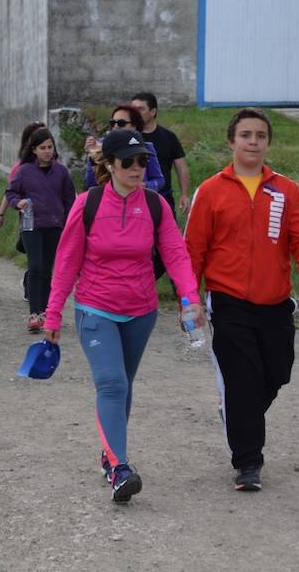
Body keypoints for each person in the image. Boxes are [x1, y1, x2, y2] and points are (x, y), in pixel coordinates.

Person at [44, 128, 202, 503]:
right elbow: (66, 262)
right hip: (95, 308)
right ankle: (120, 467)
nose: (137, 168)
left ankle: (109, 450)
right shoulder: (88, 204)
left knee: (124, 386)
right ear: (110, 165)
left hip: (141, 310)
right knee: (112, 383)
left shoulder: (154, 205)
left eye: (142, 161)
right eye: (128, 162)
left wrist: (189, 298)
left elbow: (175, 254)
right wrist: (53, 315)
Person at [184, 108, 299, 492]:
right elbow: (192, 249)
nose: (253, 141)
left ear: (267, 143)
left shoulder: (287, 190)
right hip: (228, 303)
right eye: (245, 135)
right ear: (231, 142)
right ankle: (248, 463)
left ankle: (234, 412)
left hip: (276, 303)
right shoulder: (210, 191)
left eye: (260, 136)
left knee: (277, 374)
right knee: (244, 381)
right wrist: (190, 298)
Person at [5, 128, 75, 332]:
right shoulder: (24, 170)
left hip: (55, 226)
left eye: (50, 147)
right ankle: (33, 313)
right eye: (42, 148)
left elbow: (70, 200)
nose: (47, 151)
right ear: (33, 149)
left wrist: (70, 223)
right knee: (35, 266)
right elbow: (11, 193)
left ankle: (45, 312)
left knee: (47, 269)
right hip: (31, 226)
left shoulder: (61, 171)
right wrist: (18, 203)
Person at [0, 121, 46, 302]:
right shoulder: (21, 168)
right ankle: (32, 287)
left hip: (50, 220)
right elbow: (9, 192)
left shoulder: (54, 165)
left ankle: (37, 286)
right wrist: (0, 214)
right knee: (35, 259)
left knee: (45, 259)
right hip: (29, 220)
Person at [130, 92, 191, 217]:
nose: (136, 113)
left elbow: (181, 168)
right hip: (133, 199)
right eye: (133, 109)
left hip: (163, 198)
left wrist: (184, 194)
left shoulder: (169, 137)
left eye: (141, 109)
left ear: (153, 112)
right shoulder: (127, 136)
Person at [83, 105, 163, 193]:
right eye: (113, 123)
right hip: (108, 200)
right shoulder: (102, 145)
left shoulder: (146, 147)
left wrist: (146, 186)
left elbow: (159, 180)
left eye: (121, 123)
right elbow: (90, 184)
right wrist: (93, 157)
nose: (116, 126)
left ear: (135, 125)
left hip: (138, 197)